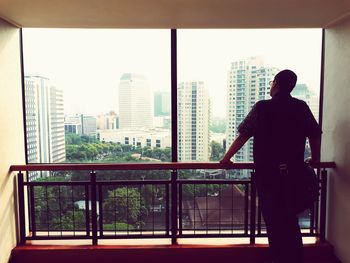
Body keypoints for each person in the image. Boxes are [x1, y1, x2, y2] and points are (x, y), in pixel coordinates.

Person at [220, 69, 322, 263]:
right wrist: (315, 158)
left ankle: (279, 258)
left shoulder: (262, 108)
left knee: (274, 222)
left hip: (268, 175)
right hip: (294, 173)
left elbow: (244, 134)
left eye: (272, 83)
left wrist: (226, 159)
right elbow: (315, 133)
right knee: (291, 220)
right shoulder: (301, 107)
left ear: (275, 84)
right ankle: (295, 258)